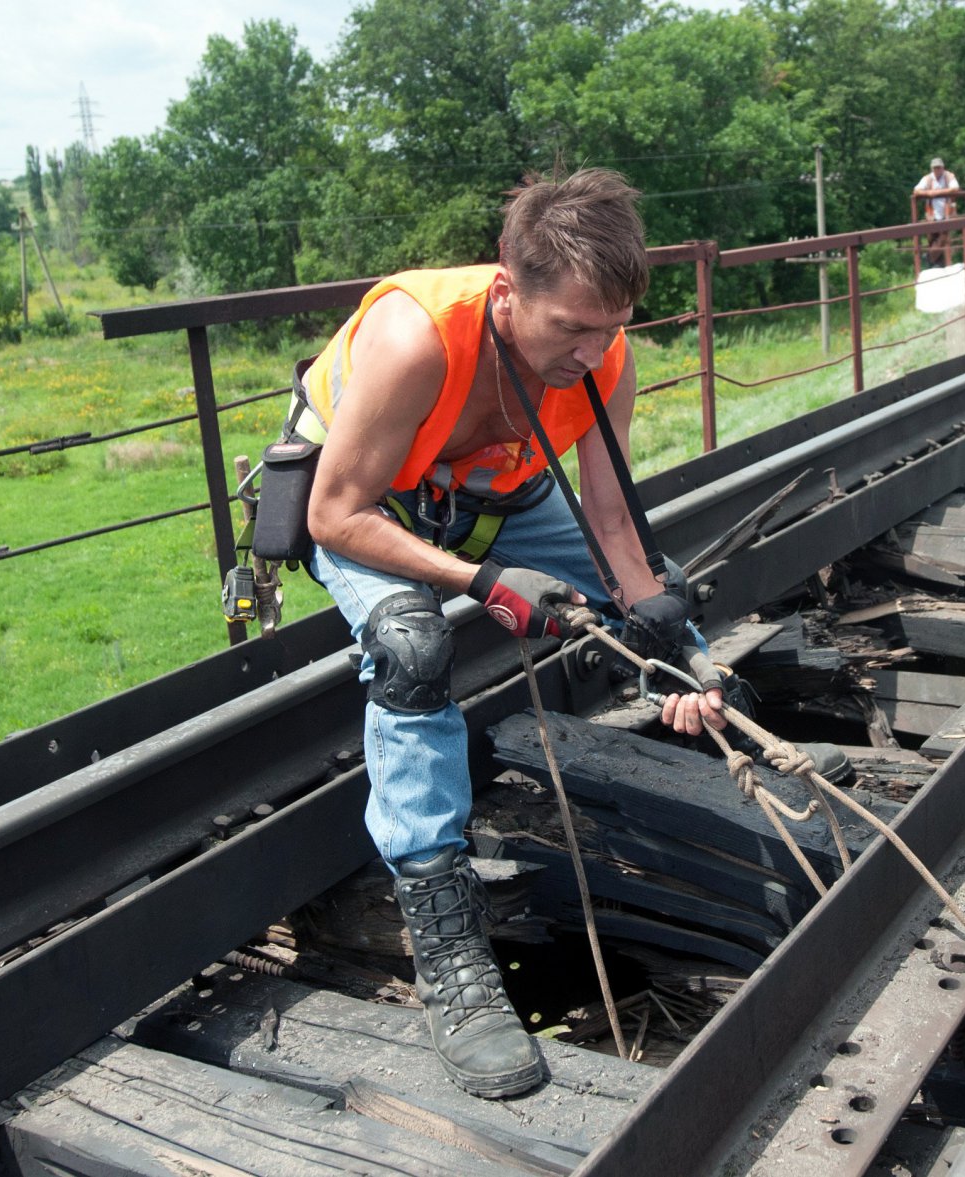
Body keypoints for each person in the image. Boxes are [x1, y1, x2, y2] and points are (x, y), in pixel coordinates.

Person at [298, 169, 724, 1099]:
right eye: (570, 326)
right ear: (506, 290)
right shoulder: (418, 341)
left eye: (610, 326)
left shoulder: (603, 358)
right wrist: (483, 584)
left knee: (660, 600)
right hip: (378, 501)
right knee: (413, 648)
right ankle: (450, 948)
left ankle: (716, 719)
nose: (592, 348)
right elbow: (333, 513)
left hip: (500, 498)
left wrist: (673, 647)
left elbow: (613, 524)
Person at [913, 157, 960, 268]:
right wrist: (929, 193)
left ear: (943, 167)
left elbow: (955, 188)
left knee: (942, 240)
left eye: (939, 167)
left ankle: (928, 259)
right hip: (931, 216)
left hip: (946, 215)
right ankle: (937, 266)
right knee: (932, 241)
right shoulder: (928, 179)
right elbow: (916, 190)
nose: (937, 170)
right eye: (935, 168)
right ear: (932, 169)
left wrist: (938, 192)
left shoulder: (949, 176)